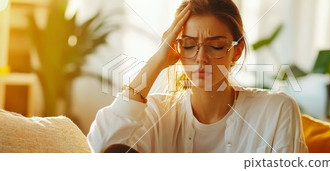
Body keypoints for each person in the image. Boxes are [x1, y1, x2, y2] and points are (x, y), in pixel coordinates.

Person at [87, 0, 308, 153]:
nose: (201, 58)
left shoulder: (277, 109)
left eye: (216, 46)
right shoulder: (156, 112)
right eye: (190, 45)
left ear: (237, 51)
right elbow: (100, 148)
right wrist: (156, 61)